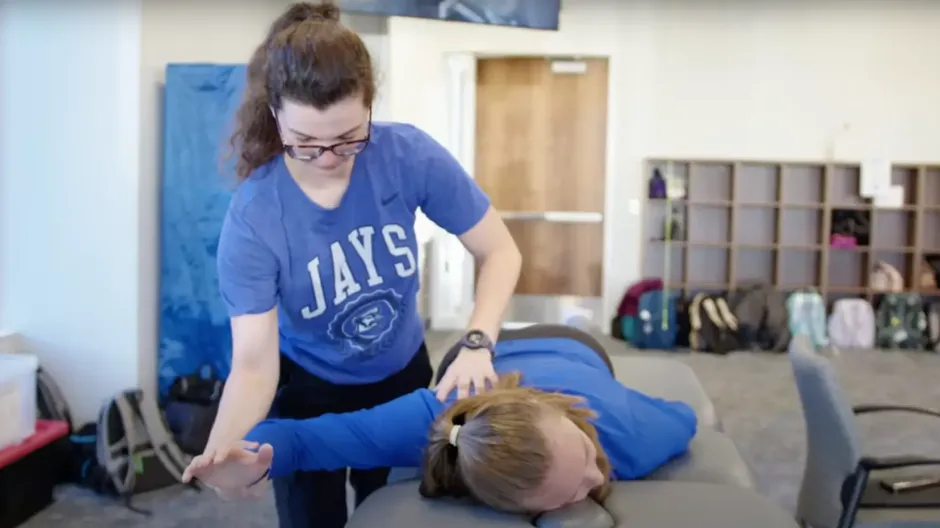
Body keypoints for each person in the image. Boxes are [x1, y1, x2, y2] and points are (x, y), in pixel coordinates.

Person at [206, 2, 522, 527]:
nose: (329, 157)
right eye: (306, 143)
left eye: (348, 137)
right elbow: (255, 363)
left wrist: (476, 341)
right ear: (275, 115)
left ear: (370, 106)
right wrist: (222, 452)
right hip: (307, 390)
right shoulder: (255, 217)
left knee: (401, 516)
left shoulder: (408, 156)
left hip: (402, 378)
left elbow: (500, 250)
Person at [184, 325, 698, 515]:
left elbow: (685, 417)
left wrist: (594, 443)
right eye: (567, 497)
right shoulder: (430, 420)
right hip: (463, 366)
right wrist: (243, 454)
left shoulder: (628, 434)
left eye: (585, 457)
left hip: (572, 347)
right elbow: (303, 440)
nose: (597, 476)